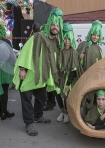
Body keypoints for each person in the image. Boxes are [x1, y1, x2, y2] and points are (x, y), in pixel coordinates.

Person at [12, 8, 64, 136]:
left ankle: (38, 116)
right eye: (53, 24)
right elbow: (25, 51)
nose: (55, 27)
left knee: (41, 99)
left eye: (57, 25)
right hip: (29, 75)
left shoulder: (56, 42)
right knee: (27, 100)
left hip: (41, 77)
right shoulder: (38, 36)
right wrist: (22, 69)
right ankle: (29, 123)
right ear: (49, 25)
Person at [56, 23, 79, 123]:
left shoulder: (73, 52)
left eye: (68, 39)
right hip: (59, 77)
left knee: (66, 95)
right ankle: (62, 111)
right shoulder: (59, 50)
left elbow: (74, 70)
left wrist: (68, 83)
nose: (66, 41)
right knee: (58, 93)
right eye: (65, 39)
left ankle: (67, 113)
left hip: (68, 78)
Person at [0, 23, 15, 120]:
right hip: (4, 69)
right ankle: (4, 112)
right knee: (4, 91)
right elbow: (11, 56)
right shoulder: (6, 41)